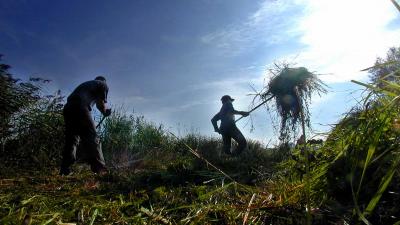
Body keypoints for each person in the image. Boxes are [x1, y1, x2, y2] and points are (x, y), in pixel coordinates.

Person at [60, 76, 112, 175]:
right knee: (93, 138)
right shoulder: (103, 84)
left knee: (72, 139)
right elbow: (100, 104)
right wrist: (105, 112)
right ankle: (101, 170)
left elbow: (96, 103)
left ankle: (65, 169)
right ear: (103, 81)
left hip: (68, 108)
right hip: (81, 106)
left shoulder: (88, 84)